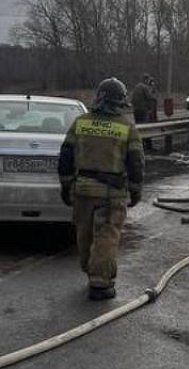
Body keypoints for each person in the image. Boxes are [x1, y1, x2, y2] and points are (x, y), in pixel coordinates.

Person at [58, 78, 144, 301]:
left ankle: (90, 269)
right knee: (106, 236)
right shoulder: (126, 127)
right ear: (120, 101)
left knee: (84, 233)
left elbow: (65, 156)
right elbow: (136, 162)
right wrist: (136, 190)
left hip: (83, 190)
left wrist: (66, 185)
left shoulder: (80, 123)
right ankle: (100, 282)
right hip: (111, 194)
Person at [130, 74, 158, 150]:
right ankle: (148, 146)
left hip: (136, 110)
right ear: (146, 80)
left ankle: (139, 144)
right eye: (149, 80)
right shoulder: (145, 87)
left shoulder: (136, 87)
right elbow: (150, 97)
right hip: (143, 110)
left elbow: (132, 99)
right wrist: (154, 96)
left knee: (139, 127)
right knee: (145, 128)